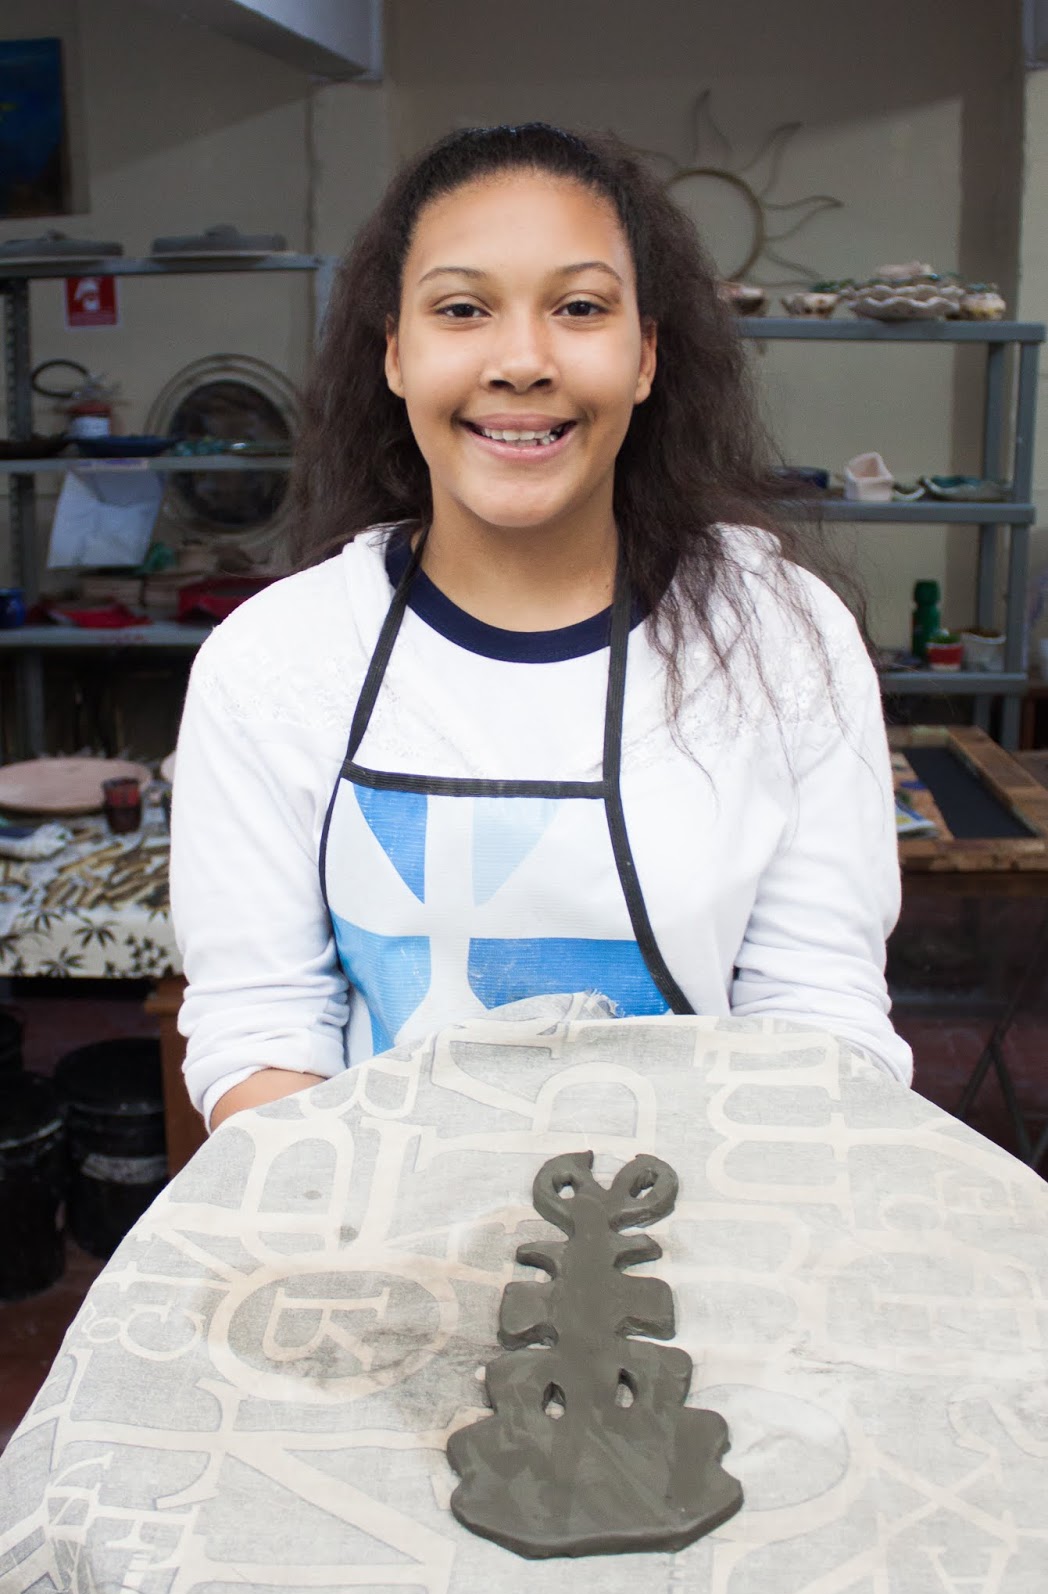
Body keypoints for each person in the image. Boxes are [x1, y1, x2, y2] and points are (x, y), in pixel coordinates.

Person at [170, 122, 912, 1132]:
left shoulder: (781, 640)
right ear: (395, 353)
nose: (521, 361)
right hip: (377, 1213)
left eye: (580, 308)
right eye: (461, 309)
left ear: (645, 356)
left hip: (711, 1205)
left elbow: (820, 1019)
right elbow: (262, 1030)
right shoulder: (274, 661)